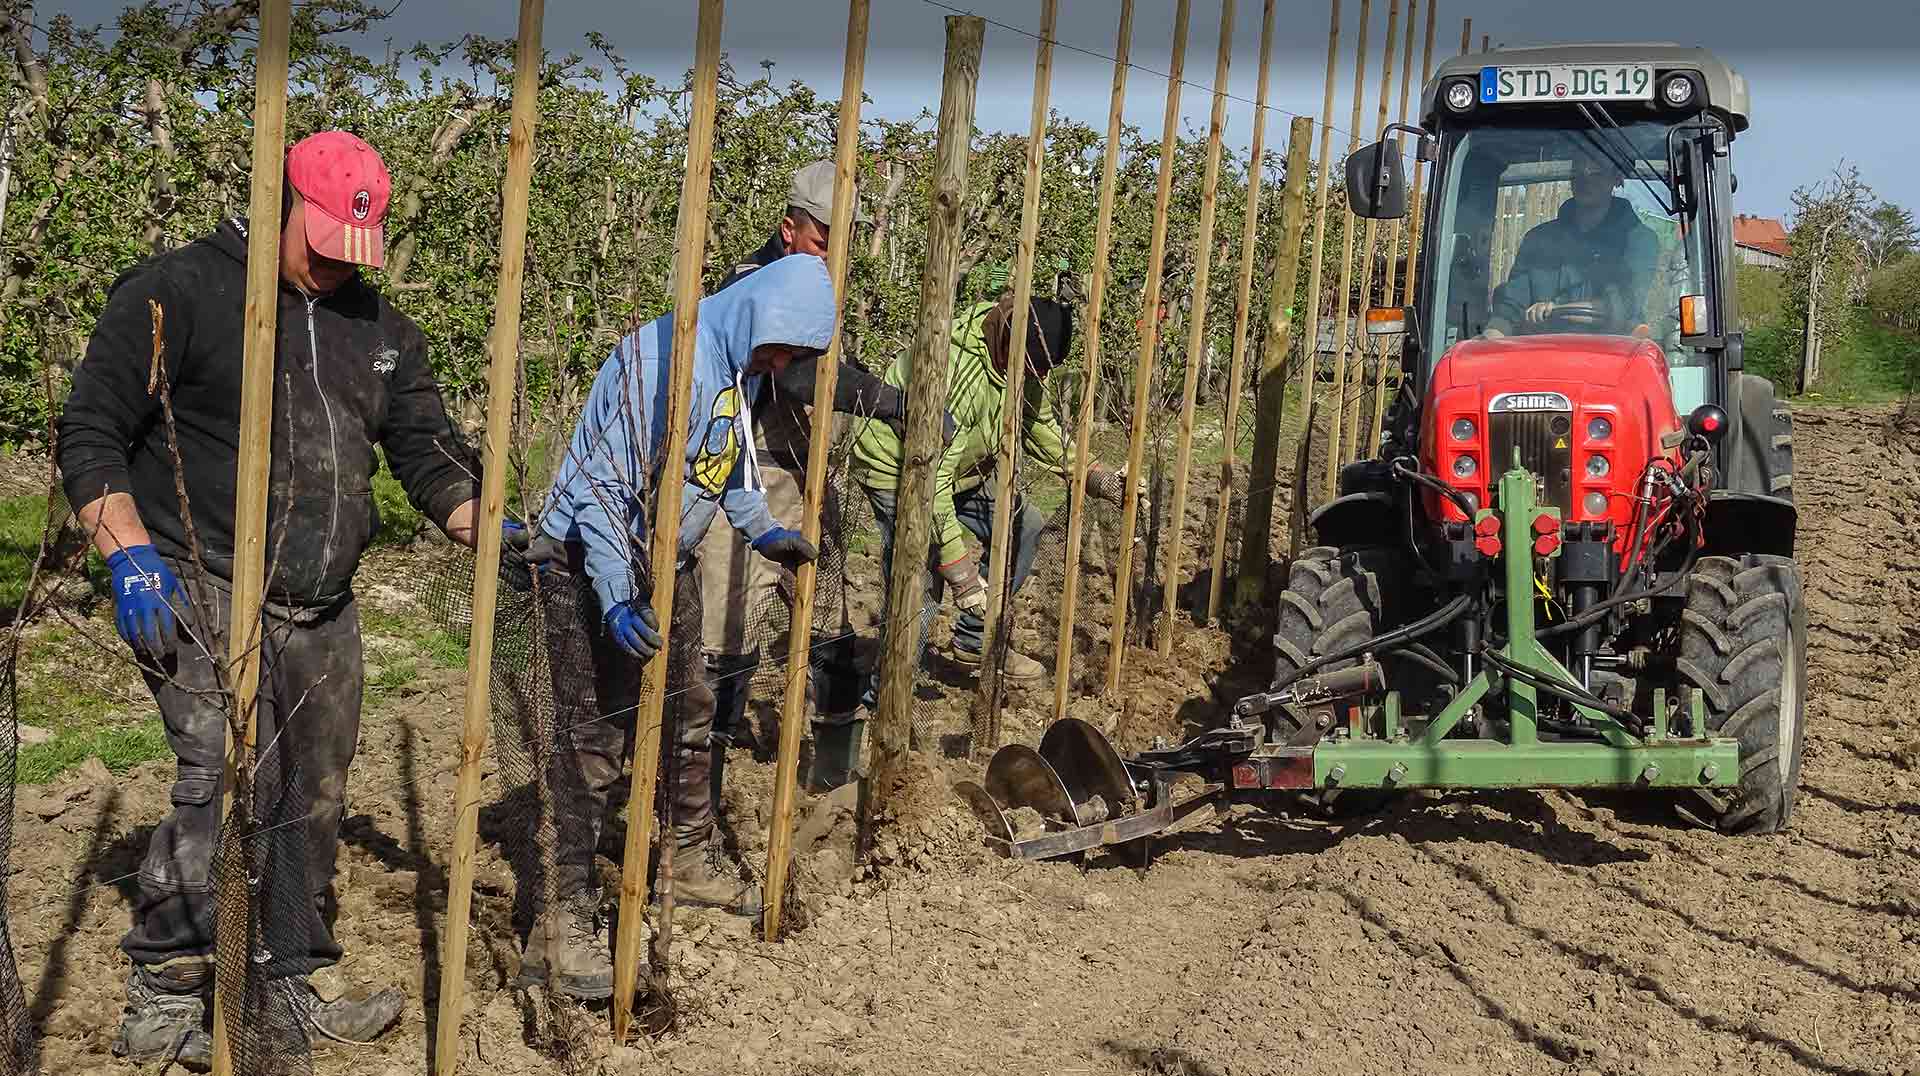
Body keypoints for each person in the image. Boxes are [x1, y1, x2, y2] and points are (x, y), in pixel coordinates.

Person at [57, 131, 485, 1066]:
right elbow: (89, 428)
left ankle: (281, 978)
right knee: (217, 771)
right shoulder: (181, 291)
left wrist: (484, 522)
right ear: (277, 201)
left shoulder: (379, 330)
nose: (335, 267)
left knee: (311, 792)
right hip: (193, 574)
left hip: (320, 599)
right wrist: (128, 553)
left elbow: (427, 451)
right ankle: (167, 988)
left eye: (352, 252)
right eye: (322, 242)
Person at [516, 253, 832, 1000]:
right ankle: (558, 919)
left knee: (689, 713)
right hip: (589, 564)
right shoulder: (662, 360)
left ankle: (687, 856)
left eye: (794, 354)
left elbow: (728, 461)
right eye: (780, 347)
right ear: (756, 317)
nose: (781, 362)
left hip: (670, 557)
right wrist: (619, 596)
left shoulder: (738, 368)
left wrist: (761, 527)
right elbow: (601, 490)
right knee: (592, 742)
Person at [696, 160, 919, 796]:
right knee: (726, 635)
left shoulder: (823, 281)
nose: (831, 252)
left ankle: (832, 776)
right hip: (743, 477)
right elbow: (796, 375)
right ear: (789, 228)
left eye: (841, 239)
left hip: (808, 478)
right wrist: (893, 401)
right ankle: (697, 791)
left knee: (831, 622)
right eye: (823, 237)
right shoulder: (754, 281)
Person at [849, 292, 1132, 706]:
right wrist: (959, 569)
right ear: (1008, 346)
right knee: (921, 581)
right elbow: (930, 480)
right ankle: (886, 701)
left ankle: (974, 641)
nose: (1036, 378)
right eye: (1033, 368)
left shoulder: (1024, 360)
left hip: (960, 467)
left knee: (1024, 524)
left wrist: (1093, 474)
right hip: (898, 468)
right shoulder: (957, 372)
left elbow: (1038, 424)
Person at [1485, 148, 1659, 338]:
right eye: (1577, 170)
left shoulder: (1639, 240)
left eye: (1596, 170)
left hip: (1614, 359)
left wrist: (1554, 311)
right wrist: (1491, 337)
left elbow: (1625, 303)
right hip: (1540, 357)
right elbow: (1509, 309)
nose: (1585, 177)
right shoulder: (1538, 239)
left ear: (1617, 178)